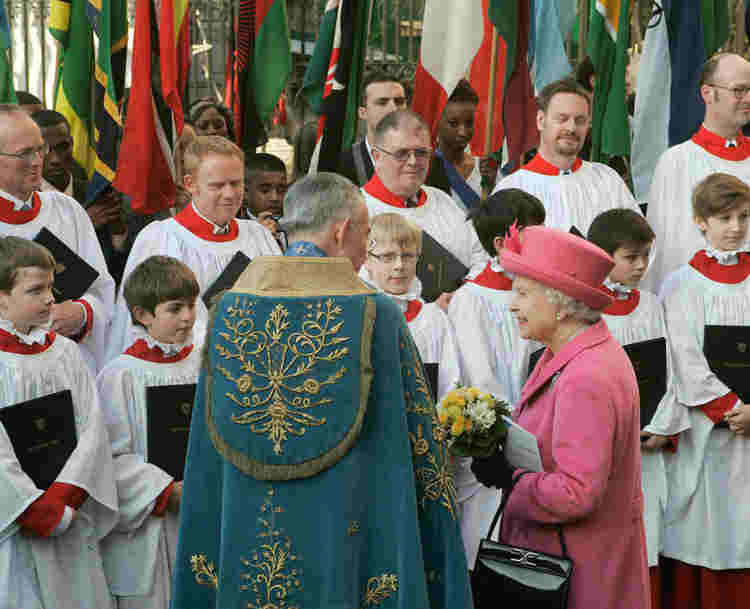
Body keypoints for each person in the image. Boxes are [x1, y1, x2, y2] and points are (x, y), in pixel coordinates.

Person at [170, 172, 472, 609]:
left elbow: (206, 455)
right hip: (345, 530)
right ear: (342, 229)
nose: (364, 244)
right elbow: (417, 444)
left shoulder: (228, 309)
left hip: (250, 523)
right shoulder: (376, 314)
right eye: (366, 232)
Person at [471, 225, 650, 608]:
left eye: (522, 292)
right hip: (575, 564)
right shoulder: (570, 354)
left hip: (577, 577)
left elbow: (576, 493)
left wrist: (511, 479)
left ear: (562, 301)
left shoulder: (586, 375)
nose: (512, 305)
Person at [0, 236, 118, 609]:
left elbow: (92, 428)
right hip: (16, 526)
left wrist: (66, 493)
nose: (51, 299)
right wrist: (32, 507)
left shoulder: (65, 352)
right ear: (2, 297)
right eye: (36, 290)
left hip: (69, 513)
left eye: (51, 287)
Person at [658, 173, 750, 609]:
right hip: (708, 432)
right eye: (724, 218)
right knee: (707, 533)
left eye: (743, 217)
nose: (735, 227)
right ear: (700, 220)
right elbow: (685, 359)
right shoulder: (682, 284)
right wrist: (733, 408)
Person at [107, 135, 282, 363]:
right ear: (190, 184)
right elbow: (134, 324)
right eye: (217, 185)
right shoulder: (161, 238)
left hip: (257, 365)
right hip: (184, 372)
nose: (229, 194)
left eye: (236, 183)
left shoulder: (258, 236)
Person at [587, 208, 686, 609]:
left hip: (648, 450)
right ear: (603, 255)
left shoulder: (650, 304)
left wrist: (663, 426)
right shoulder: (585, 310)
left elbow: (672, 371)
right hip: (608, 455)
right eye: (631, 257)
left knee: (650, 544)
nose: (642, 265)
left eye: (646, 255)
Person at [446, 189, 545, 567]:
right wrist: (515, 430)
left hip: (537, 433)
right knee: (485, 542)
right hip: (496, 440)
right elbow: (479, 375)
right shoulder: (471, 299)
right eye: (532, 234)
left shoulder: (539, 291)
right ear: (502, 242)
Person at [98, 256, 200, 609]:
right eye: (175, 308)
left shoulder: (207, 364)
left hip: (203, 506)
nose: (187, 317)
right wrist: (165, 490)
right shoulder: (120, 375)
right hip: (151, 522)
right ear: (143, 315)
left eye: (191, 305)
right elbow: (108, 457)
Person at [0, 105, 115, 372]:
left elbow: (102, 289)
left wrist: (83, 313)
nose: (38, 161)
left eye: (40, 149)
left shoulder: (68, 211)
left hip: (69, 369)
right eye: (24, 154)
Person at [644, 53, 750, 293]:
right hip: (696, 305)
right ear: (708, 93)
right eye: (739, 90)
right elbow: (665, 249)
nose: (748, 99)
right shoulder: (676, 162)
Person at [492, 78, 641, 235]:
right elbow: (491, 254)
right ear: (541, 121)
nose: (571, 128)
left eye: (580, 120)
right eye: (562, 119)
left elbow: (638, 242)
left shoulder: (607, 180)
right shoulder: (512, 189)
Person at [362, 110, 489, 278]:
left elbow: (480, 256)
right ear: (376, 156)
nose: (413, 162)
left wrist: (463, 293)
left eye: (421, 153)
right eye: (401, 153)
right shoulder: (358, 211)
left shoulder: (443, 201)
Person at [362, 212, 461, 399]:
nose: (399, 265)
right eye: (388, 257)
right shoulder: (360, 316)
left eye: (407, 256)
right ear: (367, 260)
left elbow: (450, 382)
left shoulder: (432, 318)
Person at [32, 109, 131, 286]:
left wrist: (118, 231)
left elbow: (120, 265)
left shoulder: (96, 194)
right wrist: (83, 224)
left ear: (72, 143)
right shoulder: (26, 203)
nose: (55, 159)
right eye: (45, 149)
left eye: (63, 147)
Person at [337, 70, 408, 186]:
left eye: (399, 102)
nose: (393, 108)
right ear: (363, 113)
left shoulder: (425, 161)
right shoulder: (343, 164)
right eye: (382, 102)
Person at [435, 79, 497, 209]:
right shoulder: (425, 169)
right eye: (453, 123)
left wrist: (490, 187)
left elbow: (497, 222)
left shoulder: (485, 170)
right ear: (437, 122)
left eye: (469, 123)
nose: (463, 132)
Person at [243, 152, 287, 243]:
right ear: (245, 192)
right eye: (265, 191)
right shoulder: (235, 229)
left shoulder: (293, 225)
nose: (275, 198)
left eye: (281, 190)